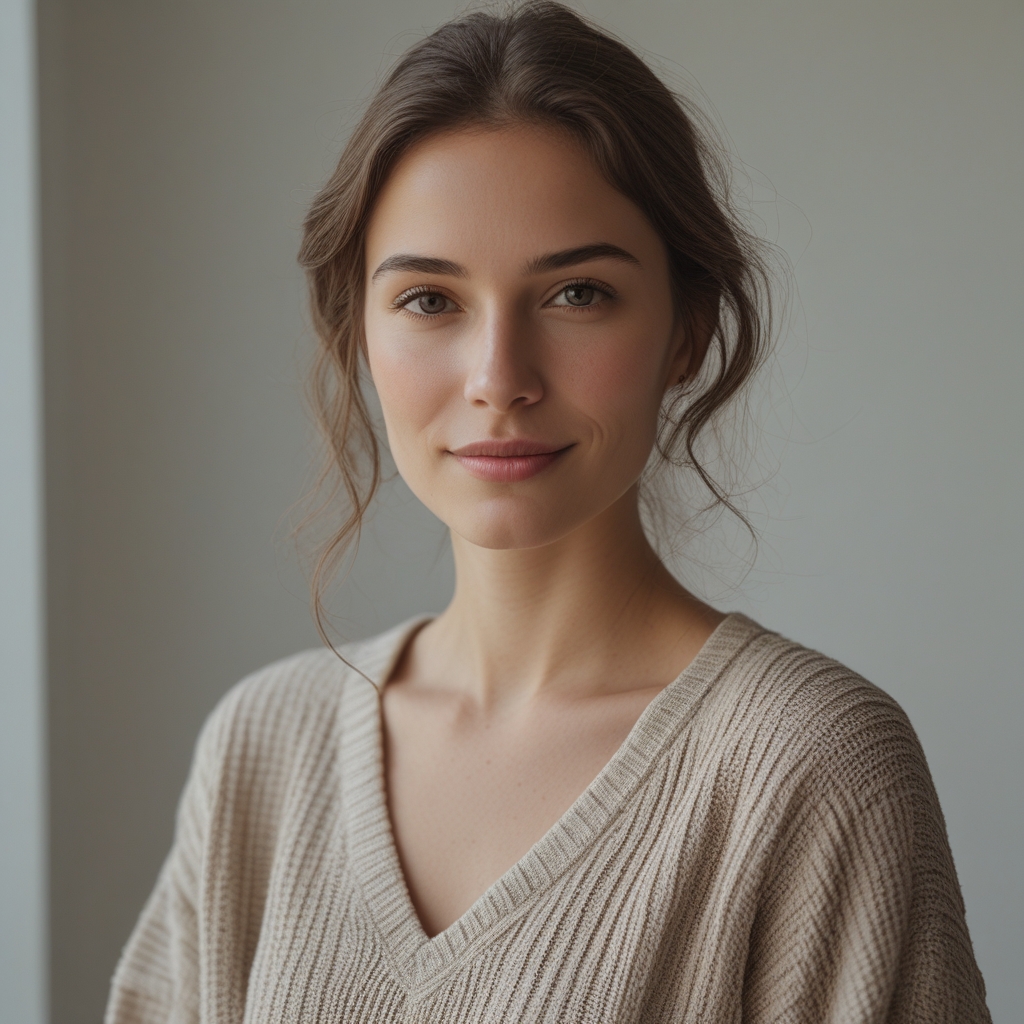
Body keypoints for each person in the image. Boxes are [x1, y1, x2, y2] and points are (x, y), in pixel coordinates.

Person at [104, 3, 991, 1021]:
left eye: (577, 293)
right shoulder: (263, 748)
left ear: (687, 330)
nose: (499, 378)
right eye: (430, 300)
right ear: (359, 334)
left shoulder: (807, 765)